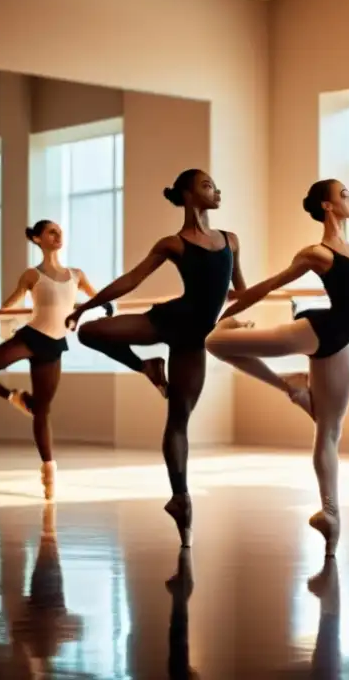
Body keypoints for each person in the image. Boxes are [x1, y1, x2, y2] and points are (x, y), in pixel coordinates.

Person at [63, 169, 247, 547]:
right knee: (90, 332)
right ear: (188, 195)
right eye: (208, 186)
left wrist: (236, 319)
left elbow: (241, 290)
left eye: (215, 184)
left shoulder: (231, 240)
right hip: (167, 319)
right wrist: (86, 306)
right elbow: (132, 279)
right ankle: (146, 365)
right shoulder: (173, 244)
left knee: (178, 419)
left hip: (194, 340)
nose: (216, 190)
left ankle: (180, 498)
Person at [206, 179, 349, 557]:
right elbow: (272, 284)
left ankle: (330, 515)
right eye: (343, 194)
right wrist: (233, 309)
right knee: (214, 342)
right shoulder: (318, 253)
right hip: (316, 330)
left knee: (329, 430)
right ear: (327, 207)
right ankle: (289, 384)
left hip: (339, 343)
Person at [0, 219, 109, 499]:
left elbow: (98, 297)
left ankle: (49, 471)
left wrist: (108, 304)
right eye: (51, 232)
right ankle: (13, 397)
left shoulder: (76, 274)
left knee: (42, 410)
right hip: (30, 339)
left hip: (54, 346)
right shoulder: (32, 275)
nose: (58, 236)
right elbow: (9, 304)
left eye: (60, 232)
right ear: (39, 239)